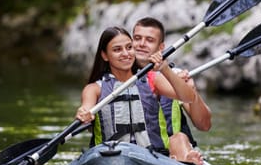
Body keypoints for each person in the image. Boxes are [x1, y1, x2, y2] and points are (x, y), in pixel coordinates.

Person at [75, 26, 196, 155]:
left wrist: (165, 69)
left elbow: (189, 97)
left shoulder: (152, 81)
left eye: (129, 47)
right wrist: (84, 113)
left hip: (152, 157)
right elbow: (86, 108)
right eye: (117, 50)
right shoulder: (94, 89)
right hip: (109, 156)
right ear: (105, 55)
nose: (126, 54)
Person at [132, 17, 212, 165]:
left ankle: (188, 159)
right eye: (137, 38)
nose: (141, 44)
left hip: (173, 149)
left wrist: (191, 89)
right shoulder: (118, 78)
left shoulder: (176, 76)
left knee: (179, 138)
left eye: (149, 40)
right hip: (136, 149)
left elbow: (204, 125)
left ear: (161, 47)